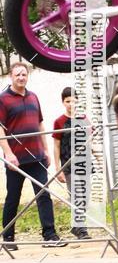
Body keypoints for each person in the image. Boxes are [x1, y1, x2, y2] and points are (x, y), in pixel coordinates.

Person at [0, 62, 65, 248]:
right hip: (16, 159)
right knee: (13, 198)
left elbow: (40, 125)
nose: (21, 77)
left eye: (24, 74)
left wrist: (45, 150)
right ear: (11, 77)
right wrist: (8, 153)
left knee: (44, 194)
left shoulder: (33, 97)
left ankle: (50, 236)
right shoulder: (3, 100)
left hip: (37, 157)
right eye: (17, 74)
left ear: (27, 76)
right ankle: (8, 238)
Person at [53, 87, 91, 240]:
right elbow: (56, 145)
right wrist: (58, 169)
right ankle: (82, 230)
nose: (71, 104)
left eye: (74, 101)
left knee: (86, 196)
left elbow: (91, 140)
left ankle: (76, 227)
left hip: (85, 162)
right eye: (68, 101)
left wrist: (99, 158)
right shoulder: (59, 122)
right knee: (77, 195)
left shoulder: (84, 119)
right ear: (63, 102)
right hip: (69, 165)